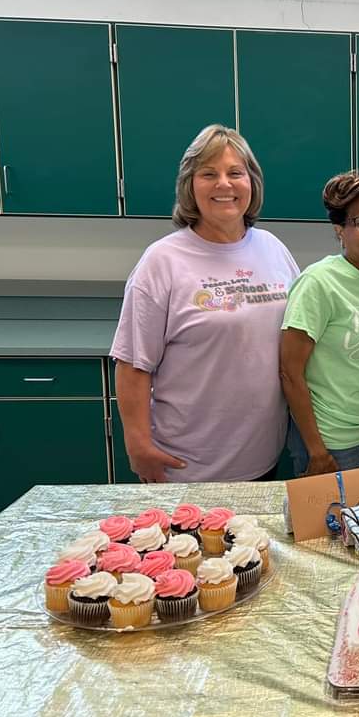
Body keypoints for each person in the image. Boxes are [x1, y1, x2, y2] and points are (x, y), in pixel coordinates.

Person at [111, 124, 299, 483]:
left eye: (235, 173)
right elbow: (133, 363)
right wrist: (138, 446)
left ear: (252, 182)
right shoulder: (161, 262)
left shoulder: (273, 249)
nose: (224, 185)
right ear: (190, 186)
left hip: (262, 459)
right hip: (186, 466)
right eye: (208, 174)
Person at [280, 172, 359, 477]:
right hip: (330, 441)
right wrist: (316, 451)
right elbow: (290, 372)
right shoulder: (318, 283)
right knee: (326, 526)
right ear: (340, 231)